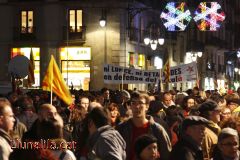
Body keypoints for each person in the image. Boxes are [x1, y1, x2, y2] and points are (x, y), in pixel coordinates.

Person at [116, 92, 171, 160]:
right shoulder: (121, 128)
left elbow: (166, 155)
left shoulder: (157, 130)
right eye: (133, 103)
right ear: (129, 106)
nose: (137, 107)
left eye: (140, 103)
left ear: (147, 106)